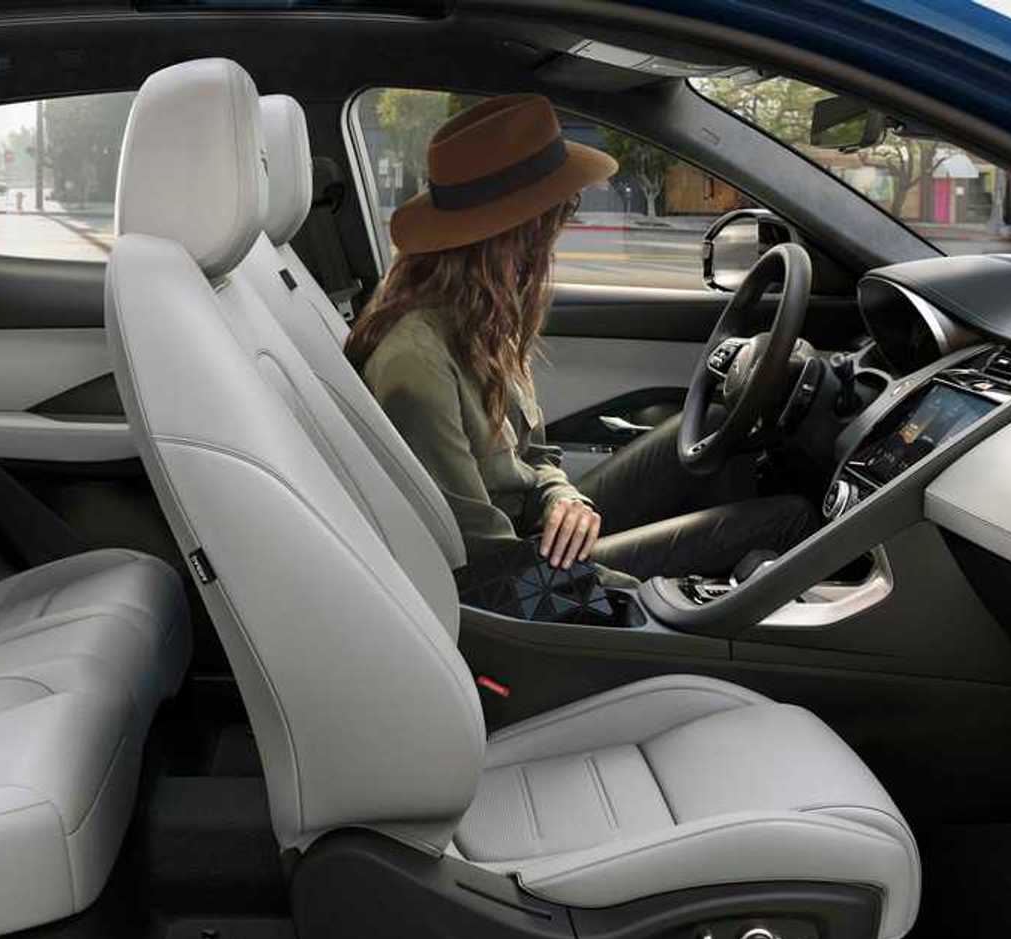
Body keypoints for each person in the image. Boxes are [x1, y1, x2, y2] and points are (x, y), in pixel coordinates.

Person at [348, 93, 817, 584]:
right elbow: (484, 569)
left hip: (538, 530)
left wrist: (563, 499)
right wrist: (644, 599)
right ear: (523, 229)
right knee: (789, 521)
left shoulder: (479, 315)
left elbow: (532, 458)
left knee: (715, 428)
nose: (561, 229)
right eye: (562, 209)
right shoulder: (415, 367)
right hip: (520, 572)